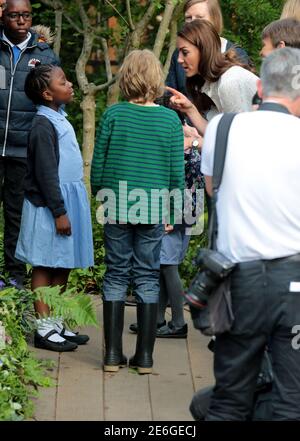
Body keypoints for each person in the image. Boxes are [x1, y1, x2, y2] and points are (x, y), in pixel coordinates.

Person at [200, 47, 300, 420]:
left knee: (229, 400)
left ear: (259, 85)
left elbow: (214, 189)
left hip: (236, 282)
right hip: (294, 286)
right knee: (291, 402)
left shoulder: (223, 128)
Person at [91, 49, 184, 374]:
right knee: (147, 275)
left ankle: (112, 356)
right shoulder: (170, 119)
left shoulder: (114, 115)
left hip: (117, 204)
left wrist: (101, 194)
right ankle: (144, 358)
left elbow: (99, 167)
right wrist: (173, 209)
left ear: (125, 77)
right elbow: (176, 172)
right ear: (157, 79)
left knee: (116, 274)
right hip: (153, 207)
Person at [15, 64, 94, 352]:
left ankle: (57, 320)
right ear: (48, 94)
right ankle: (43, 328)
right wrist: (59, 211)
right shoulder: (42, 125)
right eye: (63, 81)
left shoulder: (58, 117)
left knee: (64, 263)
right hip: (50, 204)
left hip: (66, 200)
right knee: (45, 263)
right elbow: (47, 173)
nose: (70, 83)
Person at [0, 0, 59, 289]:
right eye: (14, 15)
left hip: (22, 149)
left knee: (15, 217)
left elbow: (56, 100)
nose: (21, 21)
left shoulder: (44, 54)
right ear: (4, 16)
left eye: (25, 15)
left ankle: (14, 279)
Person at [166, 19, 258, 136]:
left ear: (204, 50)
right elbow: (218, 135)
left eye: (185, 52)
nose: (179, 59)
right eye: (178, 52)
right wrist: (190, 109)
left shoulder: (229, 82)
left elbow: (238, 140)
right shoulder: (207, 83)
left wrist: (194, 143)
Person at [166, 0, 249, 96]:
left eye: (199, 17)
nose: (192, 23)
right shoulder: (179, 55)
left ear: (215, 19)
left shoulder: (236, 54)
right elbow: (169, 94)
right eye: (188, 18)